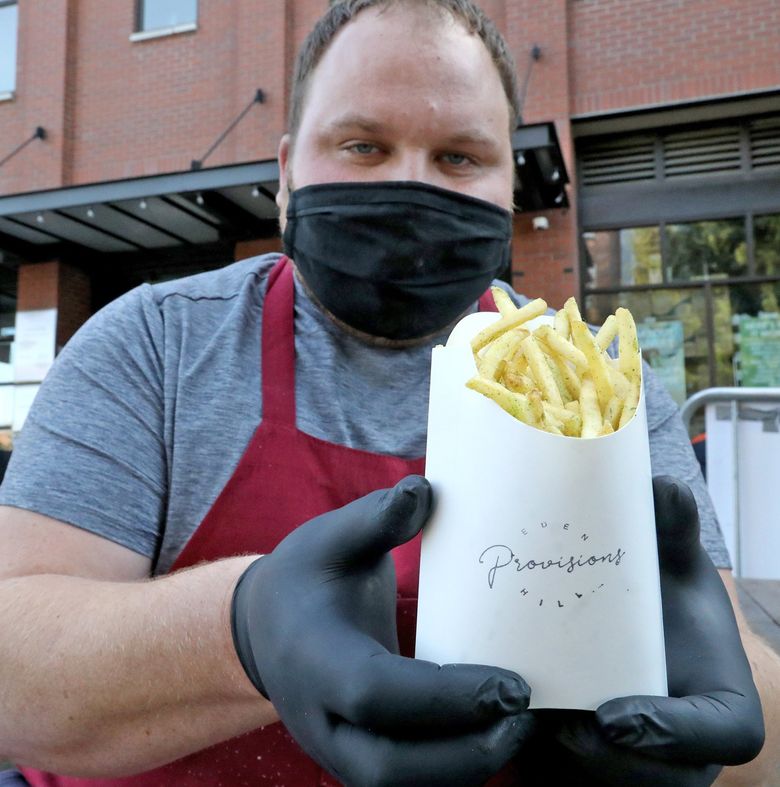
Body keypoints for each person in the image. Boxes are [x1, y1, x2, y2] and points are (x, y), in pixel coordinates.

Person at [0, 1, 775, 785]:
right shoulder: (154, 347)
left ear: (511, 187)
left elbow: (753, 716)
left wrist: (706, 711)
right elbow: (14, 674)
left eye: (461, 157)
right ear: (286, 172)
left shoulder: (601, 382)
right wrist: (242, 629)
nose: (410, 184)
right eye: (362, 145)